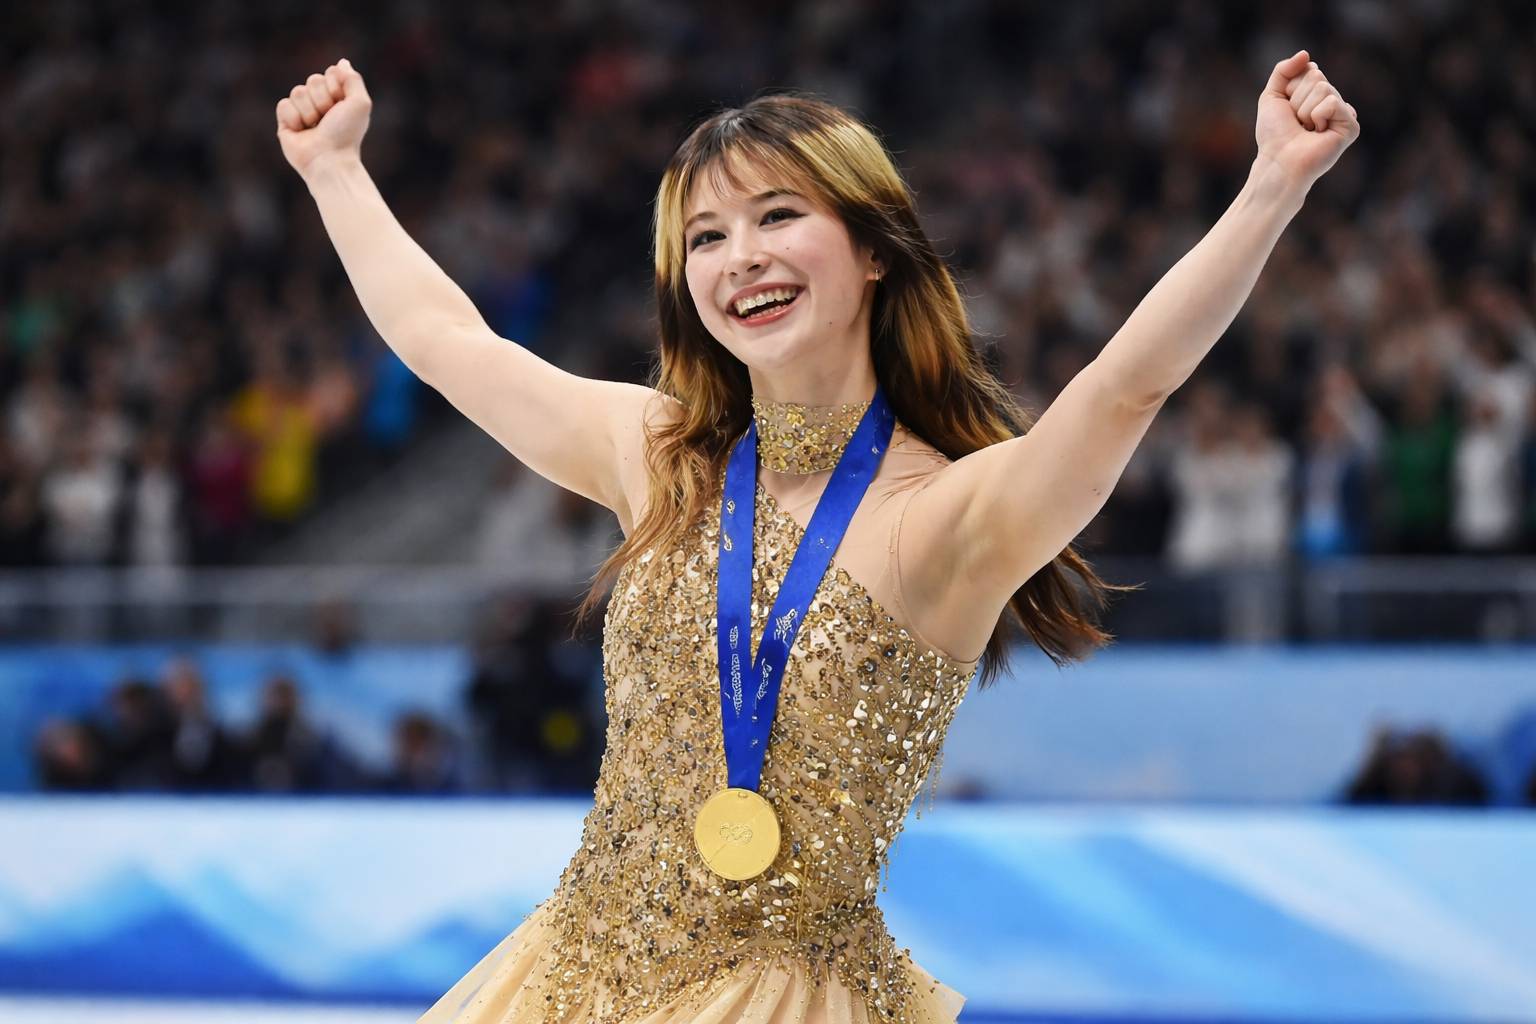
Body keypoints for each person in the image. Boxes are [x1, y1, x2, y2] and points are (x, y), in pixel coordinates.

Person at [276, 50, 1358, 1024]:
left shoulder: (949, 518)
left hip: (784, 999)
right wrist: (335, 169)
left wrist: (1272, 186)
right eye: (706, 237)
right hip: (568, 979)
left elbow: (1128, 387)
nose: (739, 256)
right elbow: (443, 338)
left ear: (873, 249)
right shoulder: (660, 456)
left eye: (776, 216)